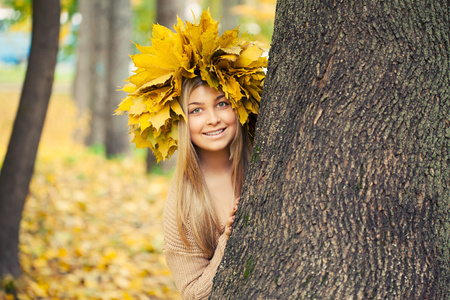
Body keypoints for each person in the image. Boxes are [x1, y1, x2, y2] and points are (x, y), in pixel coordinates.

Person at [115, 10, 267, 299]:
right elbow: (194, 294)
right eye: (196, 110)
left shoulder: (266, 157)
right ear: (181, 121)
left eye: (222, 104)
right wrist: (229, 239)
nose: (212, 119)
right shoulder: (183, 204)